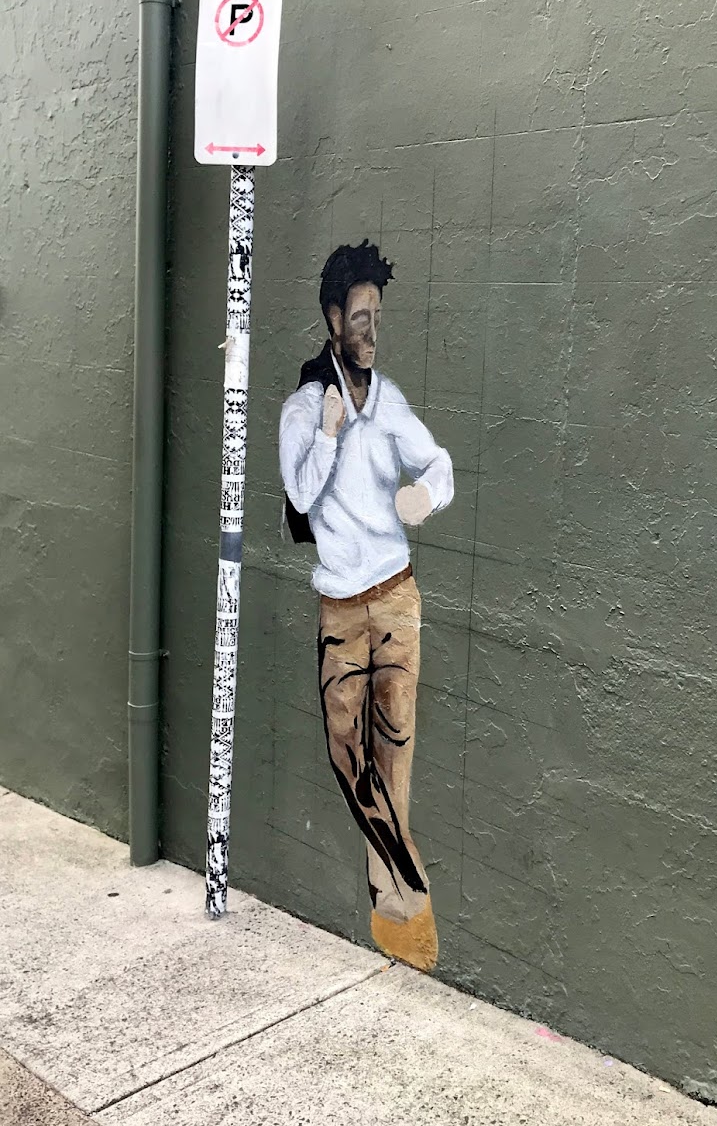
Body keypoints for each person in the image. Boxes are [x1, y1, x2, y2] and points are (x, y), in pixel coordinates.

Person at [278, 240, 453, 972]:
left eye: (377, 316)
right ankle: (412, 886)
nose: (372, 331)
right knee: (347, 753)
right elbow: (299, 494)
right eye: (360, 318)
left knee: (395, 750)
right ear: (332, 319)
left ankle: (394, 908)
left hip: (398, 597)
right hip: (343, 611)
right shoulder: (302, 408)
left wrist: (425, 496)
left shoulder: (389, 403)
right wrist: (328, 433)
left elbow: (439, 462)